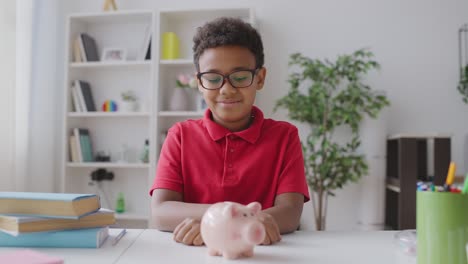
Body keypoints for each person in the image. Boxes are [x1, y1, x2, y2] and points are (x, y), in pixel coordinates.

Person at [150, 17, 310, 246]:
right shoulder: (180, 136)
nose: (226, 89)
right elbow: (161, 211)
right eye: (213, 79)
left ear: (260, 78)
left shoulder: (284, 136)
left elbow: (290, 213)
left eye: (240, 77)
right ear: (199, 82)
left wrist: (214, 221)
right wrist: (241, 220)